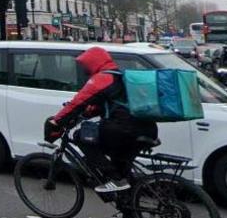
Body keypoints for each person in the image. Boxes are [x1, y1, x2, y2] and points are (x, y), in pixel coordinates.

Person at [45, 46, 158, 203]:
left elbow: (78, 102)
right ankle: (129, 208)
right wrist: (88, 113)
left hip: (123, 129)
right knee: (121, 166)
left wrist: (56, 121)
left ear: (93, 63)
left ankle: (113, 179)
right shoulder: (120, 77)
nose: (84, 69)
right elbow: (109, 105)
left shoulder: (102, 78)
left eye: (85, 65)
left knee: (82, 137)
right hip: (146, 128)